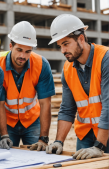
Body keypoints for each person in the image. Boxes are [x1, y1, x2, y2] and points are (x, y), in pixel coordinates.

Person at [46, 14, 109, 160]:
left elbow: (108, 105)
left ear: (81, 38)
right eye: (60, 45)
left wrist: (99, 146)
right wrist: (58, 141)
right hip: (85, 135)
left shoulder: (105, 59)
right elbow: (67, 109)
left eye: (66, 44)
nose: (62, 50)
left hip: (106, 133)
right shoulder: (67, 69)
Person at [0, 21, 55, 150]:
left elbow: (45, 103)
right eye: (19, 50)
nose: (22, 56)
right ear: (10, 46)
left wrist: (43, 139)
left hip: (32, 121)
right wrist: (4, 135)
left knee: (36, 158)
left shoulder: (41, 65)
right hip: (7, 122)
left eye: (28, 51)